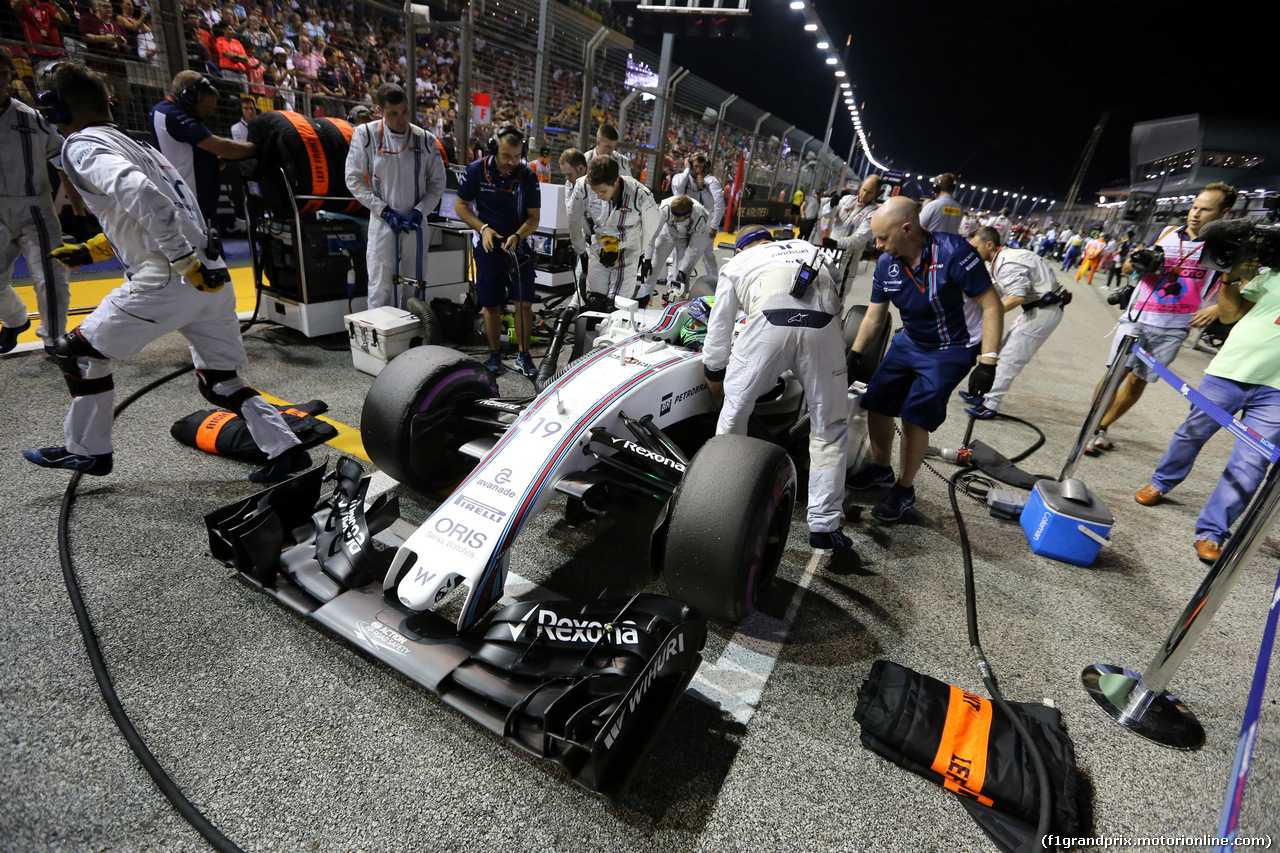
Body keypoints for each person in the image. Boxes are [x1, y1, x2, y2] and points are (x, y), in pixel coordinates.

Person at [25, 62, 308, 482]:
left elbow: (141, 196)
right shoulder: (140, 145)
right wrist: (94, 249)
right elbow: (160, 210)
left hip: (170, 278)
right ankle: (287, 451)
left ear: (56, 110)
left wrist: (180, 261)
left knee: (78, 354)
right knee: (219, 379)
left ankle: (88, 451)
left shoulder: (83, 146)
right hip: (211, 275)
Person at [846, 196, 1003, 522]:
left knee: (914, 415)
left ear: (907, 229)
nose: (877, 245)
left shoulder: (955, 253)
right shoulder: (887, 265)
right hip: (911, 340)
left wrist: (988, 361)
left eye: (883, 238)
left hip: (951, 347)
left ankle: (904, 489)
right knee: (876, 402)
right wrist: (854, 355)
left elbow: (992, 305)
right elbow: (875, 317)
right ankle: (881, 469)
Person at [702, 226, 854, 550]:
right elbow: (836, 287)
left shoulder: (737, 264)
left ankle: (720, 505)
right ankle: (825, 525)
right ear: (771, 241)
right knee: (830, 429)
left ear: (741, 248)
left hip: (766, 329)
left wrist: (714, 377)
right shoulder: (812, 249)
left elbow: (718, 331)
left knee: (734, 417)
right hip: (823, 330)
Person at [1132, 228, 1277, 564]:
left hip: (1277, 392)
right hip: (1230, 371)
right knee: (1192, 432)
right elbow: (1229, 315)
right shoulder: (1272, 275)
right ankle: (1161, 482)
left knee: (1252, 461)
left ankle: (1212, 532)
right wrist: (1229, 279)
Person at [1084, 183, 1236, 455]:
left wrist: (1215, 308)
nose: (1195, 214)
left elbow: (1236, 282)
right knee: (1115, 373)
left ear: (1224, 213)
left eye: (1205, 209)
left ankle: (1101, 428)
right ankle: (1090, 429)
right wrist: (1138, 260)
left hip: (1174, 328)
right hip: (1138, 317)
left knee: (1138, 380)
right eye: (1194, 207)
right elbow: (1129, 266)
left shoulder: (1223, 248)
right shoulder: (1166, 234)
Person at [0, 48, 83, 355]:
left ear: (10, 77)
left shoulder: (32, 119)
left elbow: (62, 164)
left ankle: (53, 338)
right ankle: (15, 319)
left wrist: (78, 210)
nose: (0, 80)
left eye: (4, 74)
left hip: (36, 207)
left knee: (50, 275)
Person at [344, 82, 447, 309]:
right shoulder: (365, 135)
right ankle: (380, 341)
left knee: (415, 286)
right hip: (383, 223)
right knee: (380, 286)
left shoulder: (426, 140)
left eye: (404, 112)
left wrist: (421, 211)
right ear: (380, 111)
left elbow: (438, 182)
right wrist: (383, 210)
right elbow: (353, 179)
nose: (401, 119)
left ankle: (413, 338)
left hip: (416, 225)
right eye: (393, 114)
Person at [454, 125, 541, 377]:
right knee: (491, 304)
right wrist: (483, 229)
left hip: (519, 248)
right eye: (506, 156)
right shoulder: (475, 170)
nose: (512, 161)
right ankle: (494, 355)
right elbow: (461, 205)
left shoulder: (528, 176)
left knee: (523, 304)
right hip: (488, 246)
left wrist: (518, 235)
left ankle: (523, 357)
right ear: (494, 150)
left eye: (516, 156)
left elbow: (534, 218)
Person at [959, 226, 1067, 418]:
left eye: (975, 247)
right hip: (1038, 308)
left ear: (989, 244)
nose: (972, 251)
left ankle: (990, 405)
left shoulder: (1006, 262)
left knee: (1011, 357)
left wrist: (990, 314)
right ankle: (982, 394)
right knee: (1002, 350)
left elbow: (1016, 297)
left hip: (1045, 310)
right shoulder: (1002, 258)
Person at [150, 71, 256, 227]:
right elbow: (224, 148)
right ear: (189, 97)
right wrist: (256, 147)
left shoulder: (166, 111)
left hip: (192, 201)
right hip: (190, 205)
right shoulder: (171, 115)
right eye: (206, 109)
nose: (211, 113)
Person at [567, 155, 658, 305]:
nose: (598, 195)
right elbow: (573, 218)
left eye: (602, 191)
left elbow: (651, 226)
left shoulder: (640, 195)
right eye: (595, 191)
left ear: (616, 181)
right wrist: (580, 249)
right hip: (599, 248)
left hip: (628, 250)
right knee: (594, 302)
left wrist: (642, 253)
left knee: (616, 306)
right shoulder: (583, 186)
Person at [643, 194, 711, 300]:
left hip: (686, 238)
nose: (674, 217)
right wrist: (647, 258)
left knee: (682, 278)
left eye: (677, 216)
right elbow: (652, 235)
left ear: (688, 214)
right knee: (653, 268)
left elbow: (694, 247)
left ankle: (679, 303)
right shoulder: (665, 208)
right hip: (668, 233)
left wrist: (683, 270)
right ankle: (644, 296)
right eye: (673, 214)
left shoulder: (700, 217)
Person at [669, 154, 724, 277]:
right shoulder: (680, 177)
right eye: (696, 166)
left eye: (702, 167)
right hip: (680, 221)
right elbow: (679, 189)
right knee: (679, 255)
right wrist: (687, 168)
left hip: (700, 224)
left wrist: (703, 188)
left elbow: (713, 205)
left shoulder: (707, 182)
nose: (698, 170)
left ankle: (710, 281)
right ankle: (674, 282)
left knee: (696, 256)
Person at [829, 174, 880, 286]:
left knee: (839, 291)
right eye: (864, 190)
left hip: (848, 258)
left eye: (869, 192)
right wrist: (830, 205)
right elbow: (827, 216)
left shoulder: (873, 212)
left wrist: (837, 243)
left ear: (876, 193)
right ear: (860, 187)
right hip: (830, 250)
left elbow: (860, 237)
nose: (864, 194)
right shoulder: (847, 200)